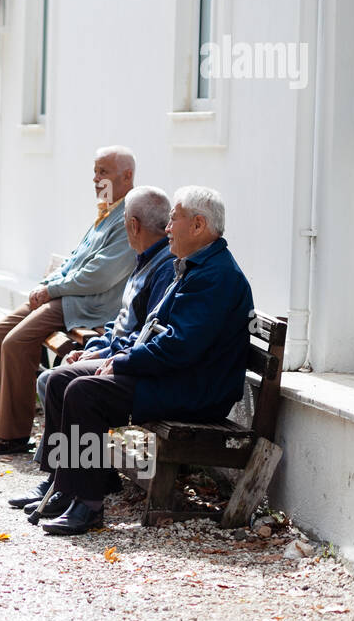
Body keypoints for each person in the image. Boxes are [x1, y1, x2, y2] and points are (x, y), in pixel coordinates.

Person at [31, 186, 254, 535]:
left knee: (84, 392)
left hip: (194, 390)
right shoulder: (196, 265)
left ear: (197, 225)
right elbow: (157, 331)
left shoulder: (215, 277)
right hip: (173, 375)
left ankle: (88, 505)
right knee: (61, 380)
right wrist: (120, 354)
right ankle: (67, 486)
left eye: (174, 219)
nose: (167, 227)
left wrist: (124, 362)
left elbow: (180, 347)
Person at [10, 185, 176, 511]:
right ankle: (60, 480)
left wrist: (110, 355)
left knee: (70, 385)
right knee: (53, 379)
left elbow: (148, 334)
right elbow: (122, 323)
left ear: (133, 225)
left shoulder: (164, 267)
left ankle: (76, 488)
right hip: (124, 356)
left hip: (140, 369)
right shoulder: (145, 260)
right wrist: (97, 348)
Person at [0, 146, 138, 455]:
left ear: (127, 176)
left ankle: (13, 436)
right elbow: (75, 258)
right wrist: (47, 284)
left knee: (15, 343)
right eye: (95, 170)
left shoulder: (129, 216)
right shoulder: (106, 211)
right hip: (65, 296)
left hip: (86, 305)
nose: (95, 178)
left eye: (103, 172)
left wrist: (52, 290)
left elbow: (99, 275)